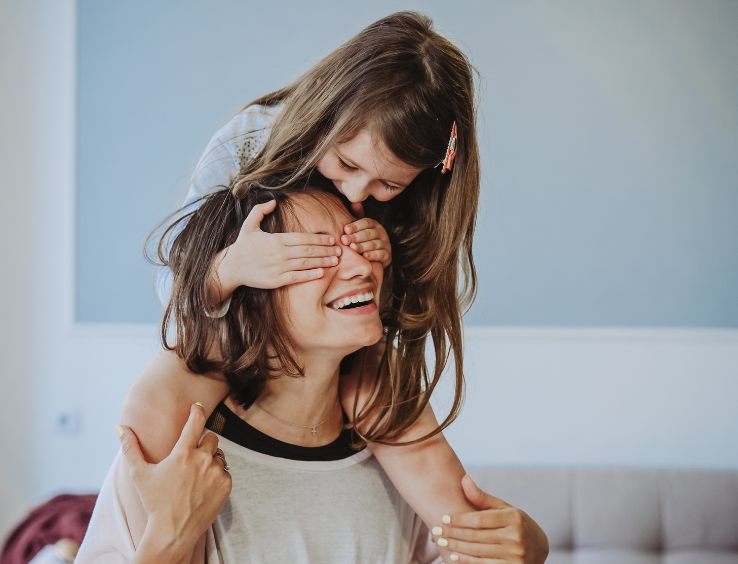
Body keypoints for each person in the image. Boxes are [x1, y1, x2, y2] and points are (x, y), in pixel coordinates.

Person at [116, 11, 548, 563]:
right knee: (170, 386)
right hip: (223, 323)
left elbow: (384, 316)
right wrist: (230, 267)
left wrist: (384, 262)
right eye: (345, 164)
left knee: (381, 396)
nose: (358, 191)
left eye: (388, 184)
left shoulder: (414, 206)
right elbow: (174, 303)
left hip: (344, 346)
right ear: (327, 111)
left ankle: (479, 542)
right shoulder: (253, 138)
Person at [77, 185, 546, 563]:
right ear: (252, 287)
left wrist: (528, 550)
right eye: (319, 253)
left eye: (358, 243)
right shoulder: (176, 463)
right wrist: (169, 540)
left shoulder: (390, 458)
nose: (363, 266)